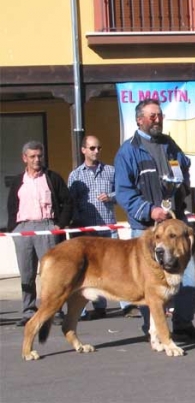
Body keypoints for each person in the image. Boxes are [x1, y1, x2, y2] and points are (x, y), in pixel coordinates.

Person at [115, 98, 195, 339]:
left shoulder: (170, 145)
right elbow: (123, 192)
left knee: (187, 279)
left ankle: (184, 324)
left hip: (175, 226)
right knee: (150, 285)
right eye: (152, 116)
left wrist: (181, 185)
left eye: (160, 115)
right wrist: (149, 210)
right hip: (146, 230)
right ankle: (153, 330)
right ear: (139, 119)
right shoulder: (128, 151)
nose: (158, 120)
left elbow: (183, 169)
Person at [7, 141, 73, 327]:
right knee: (26, 273)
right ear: (24, 158)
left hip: (47, 228)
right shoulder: (18, 181)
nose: (37, 160)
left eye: (39, 156)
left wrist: (59, 226)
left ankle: (55, 310)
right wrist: (15, 228)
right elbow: (12, 206)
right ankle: (28, 311)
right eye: (33, 156)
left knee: (52, 273)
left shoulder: (52, 178)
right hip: (24, 229)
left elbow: (67, 202)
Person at [68, 135, 117, 320]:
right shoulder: (75, 175)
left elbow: (123, 193)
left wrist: (111, 196)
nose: (96, 151)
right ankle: (88, 307)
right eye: (92, 148)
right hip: (87, 230)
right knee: (88, 270)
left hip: (108, 226)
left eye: (99, 148)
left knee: (117, 267)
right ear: (84, 150)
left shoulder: (110, 171)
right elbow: (71, 202)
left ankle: (128, 306)